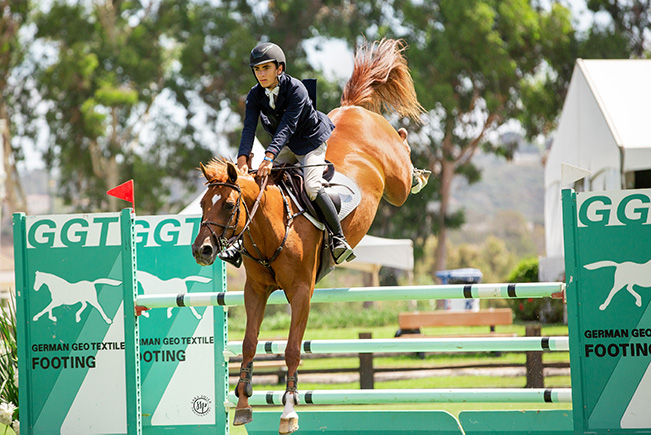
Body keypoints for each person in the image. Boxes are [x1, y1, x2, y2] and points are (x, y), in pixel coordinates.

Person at [218, 42, 353, 267]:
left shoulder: (297, 90)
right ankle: (238, 243)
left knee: (312, 187)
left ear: (279, 69)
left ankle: (338, 239)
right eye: (257, 70)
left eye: (266, 68)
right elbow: (249, 127)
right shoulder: (255, 95)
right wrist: (242, 158)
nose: (261, 74)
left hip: (310, 142)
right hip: (285, 146)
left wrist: (269, 157)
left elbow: (287, 127)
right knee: (256, 185)